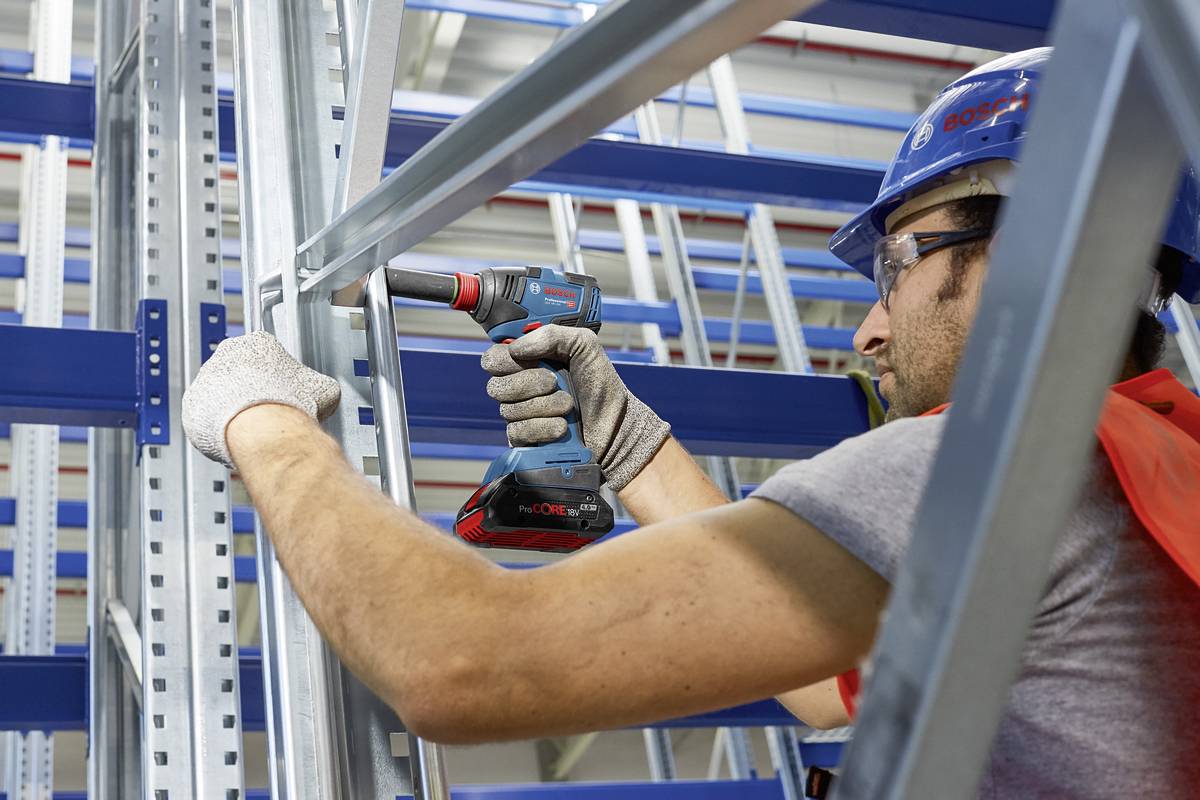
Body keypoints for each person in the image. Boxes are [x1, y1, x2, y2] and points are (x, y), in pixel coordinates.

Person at [182, 48, 1200, 796]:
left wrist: (262, 418)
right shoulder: (1154, 470)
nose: (869, 329)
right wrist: (627, 441)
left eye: (899, 261)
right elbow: (824, 688)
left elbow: (458, 658)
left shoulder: (995, 468)